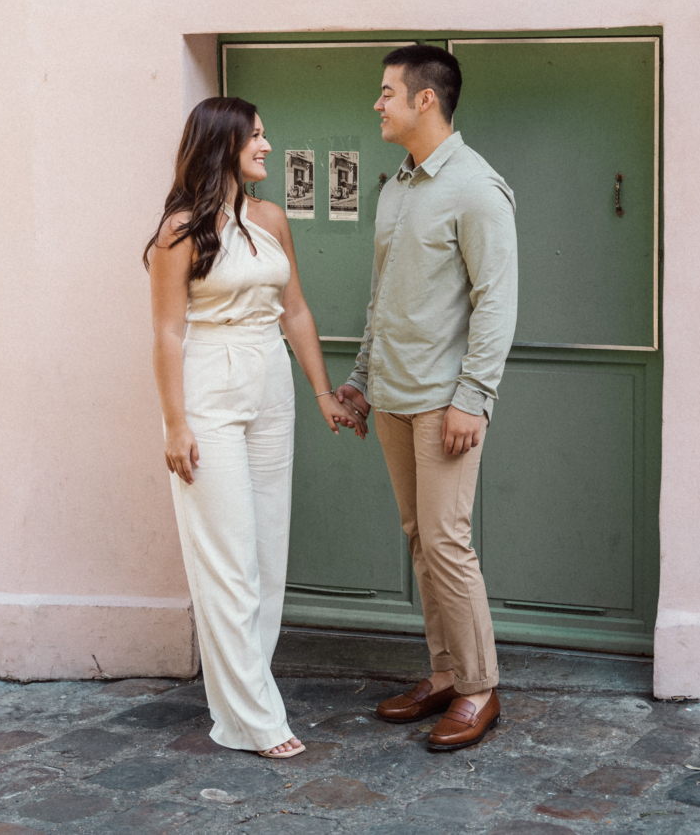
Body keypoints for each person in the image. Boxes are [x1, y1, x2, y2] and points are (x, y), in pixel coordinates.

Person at [146, 97, 362, 759]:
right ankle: (256, 720)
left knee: (267, 554)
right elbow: (166, 330)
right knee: (227, 556)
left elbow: (294, 309)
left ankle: (246, 702)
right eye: (257, 137)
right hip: (209, 385)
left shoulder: (271, 218)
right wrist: (176, 424)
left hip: (269, 381)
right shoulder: (177, 233)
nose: (268, 146)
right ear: (223, 145)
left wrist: (322, 391)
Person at [336, 45, 517, 752]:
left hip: (447, 403)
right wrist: (359, 378)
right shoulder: (397, 188)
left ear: (425, 101)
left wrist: (474, 396)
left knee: (447, 543)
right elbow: (383, 300)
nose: (376, 103)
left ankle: (479, 688)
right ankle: (445, 674)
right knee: (420, 539)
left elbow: (496, 302)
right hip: (394, 397)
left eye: (386, 92)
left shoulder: (477, 187)